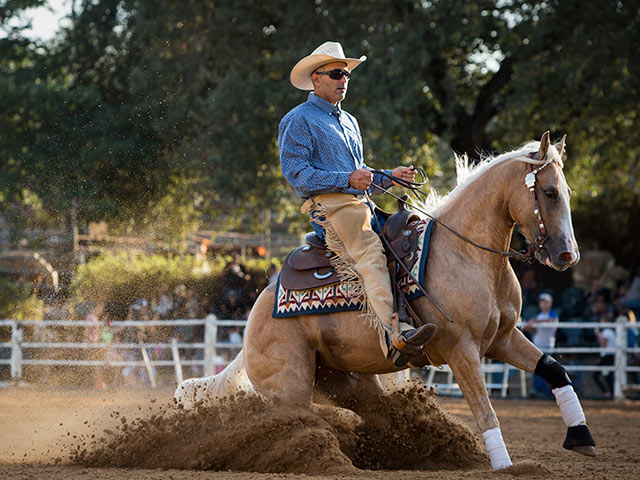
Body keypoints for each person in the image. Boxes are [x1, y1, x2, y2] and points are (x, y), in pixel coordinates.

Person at [278, 41, 436, 365]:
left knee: (414, 236)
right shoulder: (298, 120)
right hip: (330, 210)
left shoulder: (350, 121)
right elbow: (298, 176)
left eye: (347, 74)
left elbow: (362, 177)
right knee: (370, 251)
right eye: (336, 73)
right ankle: (395, 336)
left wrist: (390, 177)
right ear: (316, 79)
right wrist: (346, 180)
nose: (343, 80)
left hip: (359, 205)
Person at [524, 293, 559, 398]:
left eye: (545, 302)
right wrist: (531, 325)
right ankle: (538, 390)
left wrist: (534, 321)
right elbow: (531, 329)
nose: (543, 304)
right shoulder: (539, 316)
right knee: (537, 369)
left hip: (547, 346)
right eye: (541, 302)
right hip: (538, 346)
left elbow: (551, 321)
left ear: (550, 303)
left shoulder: (552, 314)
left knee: (545, 370)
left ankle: (544, 392)